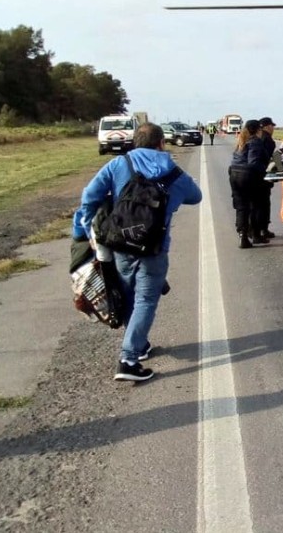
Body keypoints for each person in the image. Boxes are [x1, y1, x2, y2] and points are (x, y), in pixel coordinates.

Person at [74, 122, 202, 381]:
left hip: (120, 244)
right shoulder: (174, 173)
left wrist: (83, 229)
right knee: (146, 300)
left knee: (128, 294)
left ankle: (139, 346)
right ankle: (128, 359)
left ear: (134, 141)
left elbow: (89, 196)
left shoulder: (119, 165)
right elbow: (196, 196)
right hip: (154, 248)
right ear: (161, 143)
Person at [228, 119, 270, 248]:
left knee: (241, 207)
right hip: (248, 176)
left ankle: (243, 236)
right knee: (255, 206)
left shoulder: (241, 141)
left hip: (234, 174)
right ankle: (256, 235)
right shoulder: (255, 142)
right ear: (258, 130)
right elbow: (253, 162)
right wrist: (266, 170)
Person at [257, 117, 278, 240]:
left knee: (255, 204)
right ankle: (263, 229)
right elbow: (267, 160)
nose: (273, 128)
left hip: (252, 174)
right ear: (266, 127)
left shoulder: (255, 137)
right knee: (264, 203)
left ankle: (254, 229)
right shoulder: (268, 140)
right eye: (272, 126)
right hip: (263, 175)